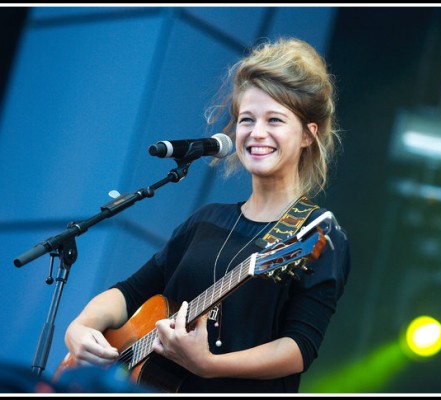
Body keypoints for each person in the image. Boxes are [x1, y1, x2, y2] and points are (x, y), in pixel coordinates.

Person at [61, 36, 351, 393]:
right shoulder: (206, 220)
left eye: (275, 120)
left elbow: (299, 348)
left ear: (309, 135)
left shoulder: (316, 231)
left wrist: (210, 366)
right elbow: (130, 292)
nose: (257, 133)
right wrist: (79, 328)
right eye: (247, 119)